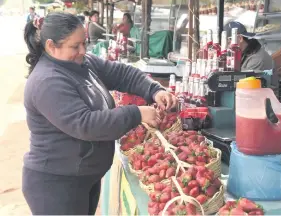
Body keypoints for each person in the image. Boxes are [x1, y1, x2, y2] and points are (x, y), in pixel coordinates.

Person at [22, 12, 176, 215]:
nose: (82, 51)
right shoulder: (47, 81)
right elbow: (86, 124)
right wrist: (136, 113)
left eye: (84, 43)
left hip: (82, 177)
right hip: (56, 184)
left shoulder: (82, 63)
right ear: (51, 46)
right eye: (75, 46)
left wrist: (154, 90)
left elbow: (122, 74)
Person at [225, 21, 278, 91]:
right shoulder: (242, 53)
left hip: (262, 98)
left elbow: (242, 85)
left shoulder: (256, 59)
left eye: (228, 42)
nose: (226, 47)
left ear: (240, 38)